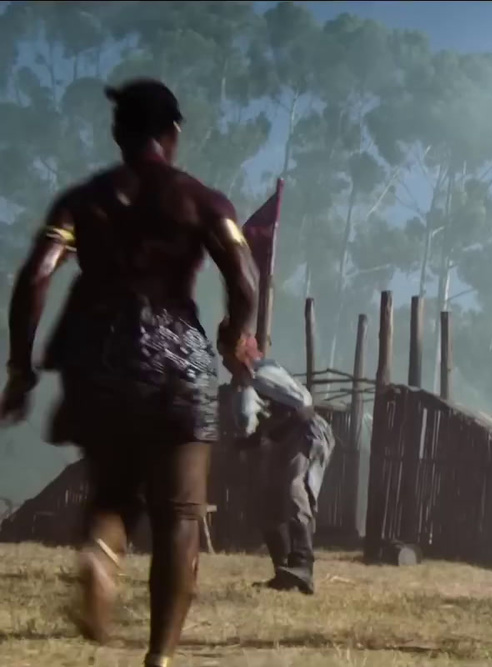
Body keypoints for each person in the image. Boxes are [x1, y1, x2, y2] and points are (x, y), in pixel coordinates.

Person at [0, 79, 259, 667]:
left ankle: (99, 550)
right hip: (177, 366)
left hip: (98, 361)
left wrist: (21, 367)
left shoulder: (84, 200)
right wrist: (232, 334)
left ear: (119, 134)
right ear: (172, 134)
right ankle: (160, 657)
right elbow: (243, 277)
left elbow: (37, 275)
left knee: (111, 493)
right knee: (180, 517)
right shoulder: (202, 200)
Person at [238, 360, 335, 595]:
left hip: (307, 433)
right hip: (285, 439)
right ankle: (284, 572)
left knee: (295, 490)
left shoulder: (263, 375)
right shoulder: (249, 387)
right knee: (270, 500)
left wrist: (269, 430)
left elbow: (303, 407)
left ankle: (303, 565)